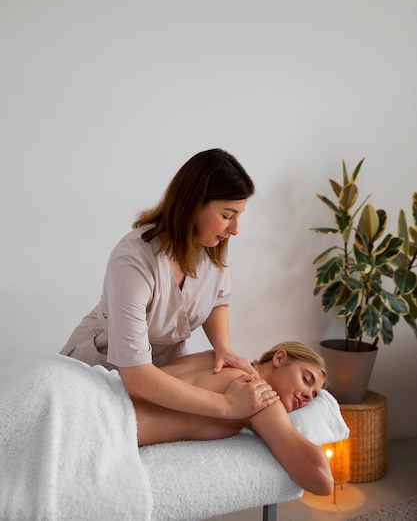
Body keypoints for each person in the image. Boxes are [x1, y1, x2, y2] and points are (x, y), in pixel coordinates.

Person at [60, 148, 278, 421]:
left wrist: (223, 347)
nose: (235, 229)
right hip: (105, 371)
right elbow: (137, 376)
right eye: (227, 215)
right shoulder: (134, 259)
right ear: (193, 204)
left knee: (221, 365)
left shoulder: (210, 244)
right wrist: (227, 405)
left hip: (164, 368)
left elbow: (216, 298)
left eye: (238, 216)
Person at [133, 341, 334, 496]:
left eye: (314, 395)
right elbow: (323, 481)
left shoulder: (216, 358)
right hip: (113, 423)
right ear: (279, 358)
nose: (308, 396)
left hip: (107, 390)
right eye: (306, 380)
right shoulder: (259, 397)